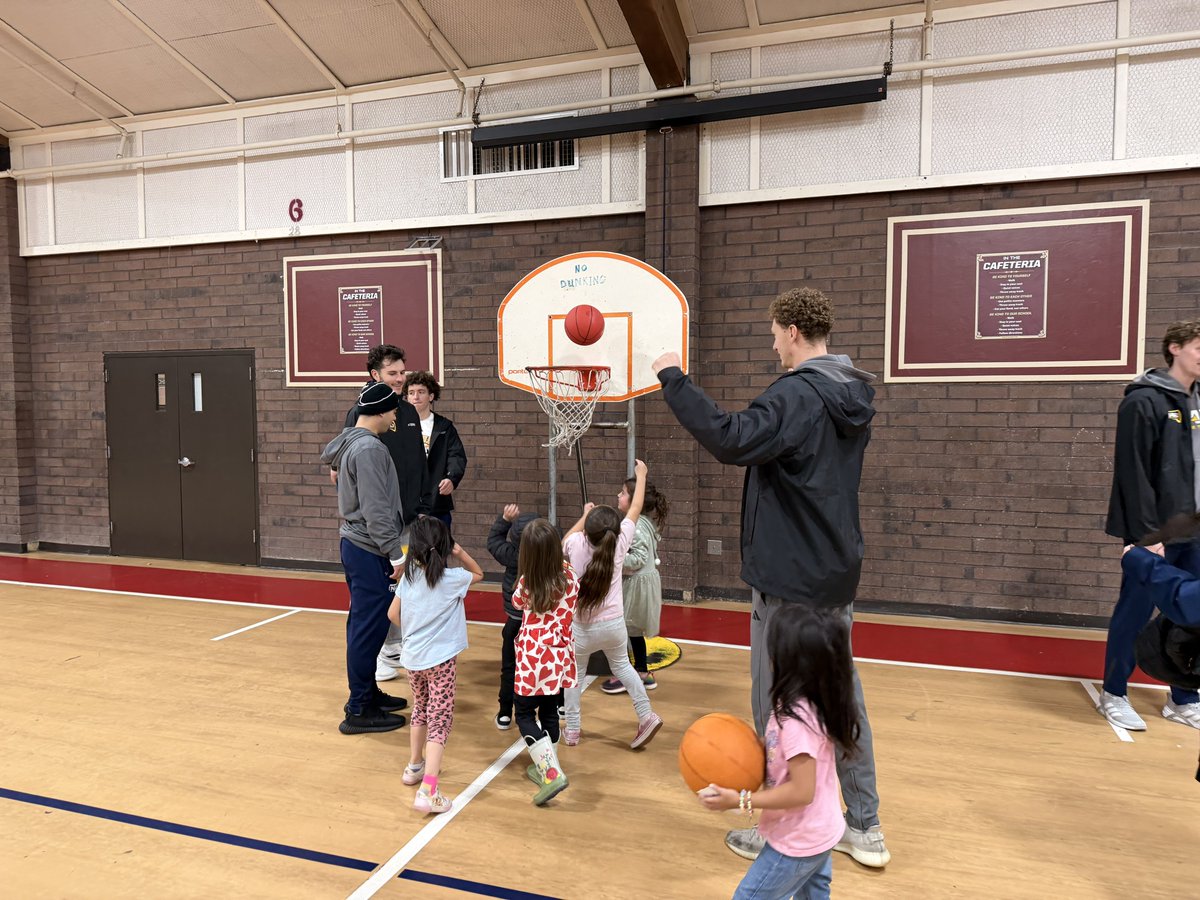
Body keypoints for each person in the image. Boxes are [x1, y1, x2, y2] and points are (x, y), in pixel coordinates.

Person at [652, 286, 889, 868]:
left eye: (773, 332)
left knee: (777, 708)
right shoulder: (850, 393)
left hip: (789, 579)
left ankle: (779, 823)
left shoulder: (800, 395)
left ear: (791, 331)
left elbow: (732, 438)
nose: (772, 343)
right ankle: (865, 827)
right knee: (841, 701)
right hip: (834, 572)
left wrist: (672, 379)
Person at [698, 605, 860, 900]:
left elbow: (801, 791)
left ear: (781, 661)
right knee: (814, 896)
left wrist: (742, 800)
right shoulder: (813, 701)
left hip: (798, 839)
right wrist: (757, 749)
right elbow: (793, 757)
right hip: (821, 830)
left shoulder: (796, 720)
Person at [1101, 320, 1200, 731]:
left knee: (1191, 615)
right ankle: (1114, 693)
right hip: (1156, 532)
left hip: (1195, 528)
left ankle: (1183, 697)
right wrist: (1146, 538)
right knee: (1136, 611)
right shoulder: (1143, 401)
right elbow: (1133, 473)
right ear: (1175, 348)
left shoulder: (1198, 401)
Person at [330, 345, 432, 684]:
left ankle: (393, 647)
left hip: (404, 517)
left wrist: (420, 506)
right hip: (378, 525)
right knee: (376, 596)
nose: (401, 378)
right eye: (393, 373)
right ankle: (374, 659)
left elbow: (417, 460)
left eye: (403, 372)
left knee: (403, 586)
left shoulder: (408, 412)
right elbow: (342, 471)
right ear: (375, 376)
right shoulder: (362, 415)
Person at [319, 381, 411, 735]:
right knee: (366, 629)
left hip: (358, 545)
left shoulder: (352, 442)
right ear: (381, 412)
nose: (394, 418)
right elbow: (376, 509)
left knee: (364, 626)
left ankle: (367, 694)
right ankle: (359, 709)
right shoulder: (369, 449)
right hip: (370, 547)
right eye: (393, 412)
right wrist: (395, 554)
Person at [561, 458, 663, 749]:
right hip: (614, 626)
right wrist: (641, 475)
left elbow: (564, 541)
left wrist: (584, 515)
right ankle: (646, 715)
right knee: (625, 668)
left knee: (574, 677)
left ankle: (572, 731)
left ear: (587, 533)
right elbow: (635, 507)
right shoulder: (619, 544)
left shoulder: (576, 544)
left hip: (581, 629)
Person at [388, 516, 483, 815]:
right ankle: (428, 789)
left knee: (420, 708)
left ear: (412, 548)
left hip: (413, 659)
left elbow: (393, 614)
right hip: (441, 662)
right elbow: (478, 573)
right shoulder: (452, 577)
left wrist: (415, 630)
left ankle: (414, 766)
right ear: (444, 546)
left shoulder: (409, 577)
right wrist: (459, 552)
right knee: (440, 720)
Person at [511, 517, 579, 805]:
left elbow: (516, 602)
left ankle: (550, 774)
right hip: (558, 656)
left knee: (525, 715)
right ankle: (550, 766)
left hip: (532, 658)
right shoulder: (571, 576)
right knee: (550, 711)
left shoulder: (528, 583)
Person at [601, 477, 669, 694]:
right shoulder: (642, 522)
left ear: (634, 500)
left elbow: (638, 559)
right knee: (633, 631)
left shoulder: (635, 525)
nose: (618, 496)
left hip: (636, 586)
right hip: (640, 584)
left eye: (622, 493)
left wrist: (614, 557)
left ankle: (626, 674)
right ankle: (642, 672)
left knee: (624, 629)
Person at [487, 503, 546, 730]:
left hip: (515, 622)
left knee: (509, 668)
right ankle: (557, 705)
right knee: (545, 666)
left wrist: (504, 519)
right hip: (541, 626)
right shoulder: (550, 557)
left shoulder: (512, 555)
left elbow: (493, 542)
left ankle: (504, 713)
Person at [405, 371, 468, 531]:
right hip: (406, 504)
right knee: (407, 553)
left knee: (437, 552)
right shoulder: (398, 426)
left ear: (431, 396)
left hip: (436, 503)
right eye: (411, 393)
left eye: (421, 392)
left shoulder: (444, 427)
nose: (415, 397)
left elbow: (457, 456)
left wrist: (451, 479)